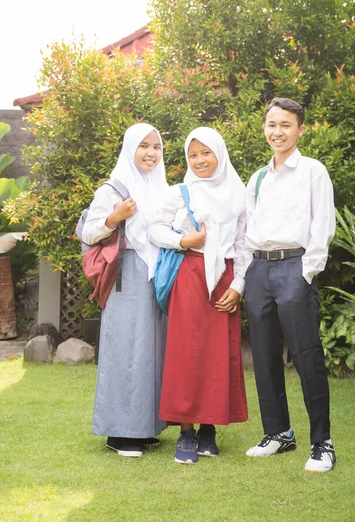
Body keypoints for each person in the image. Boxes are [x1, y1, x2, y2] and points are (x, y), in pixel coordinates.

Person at [244, 97, 336, 473]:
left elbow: (323, 225)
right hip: (260, 270)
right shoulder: (258, 177)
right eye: (271, 125)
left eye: (285, 125)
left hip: (295, 268)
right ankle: (278, 433)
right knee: (263, 357)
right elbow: (249, 227)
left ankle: (322, 443)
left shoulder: (313, 171)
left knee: (306, 356)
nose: (277, 132)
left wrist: (306, 272)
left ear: (300, 129)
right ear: (264, 129)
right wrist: (250, 271)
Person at [148, 127, 248, 464]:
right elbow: (154, 228)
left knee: (220, 354)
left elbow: (245, 245)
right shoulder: (181, 192)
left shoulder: (240, 193)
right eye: (193, 154)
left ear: (219, 153)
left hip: (224, 281)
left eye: (206, 152)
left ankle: (209, 429)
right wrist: (183, 241)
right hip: (189, 278)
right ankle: (186, 433)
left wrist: (239, 286)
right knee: (185, 354)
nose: (200, 160)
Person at [82, 122, 168, 457]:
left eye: (157, 147)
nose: (151, 153)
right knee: (126, 351)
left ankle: (144, 427)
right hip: (126, 273)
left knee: (151, 349)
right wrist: (115, 216)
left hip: (154, 272)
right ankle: (120, 433)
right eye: (144, 146)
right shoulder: (114, 188)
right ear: (130, 149)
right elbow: (89, 232)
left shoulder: (160, 186)